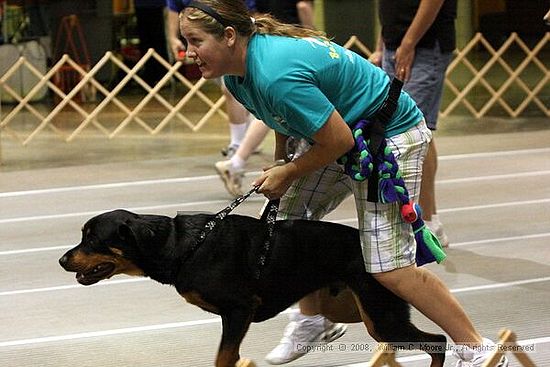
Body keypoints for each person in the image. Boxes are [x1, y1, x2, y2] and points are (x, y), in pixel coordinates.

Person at [178, 2, 508, 367]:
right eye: (185, 41)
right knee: (287, 221)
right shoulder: (238, 76)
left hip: (389, 135)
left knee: (389, 267)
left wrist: (288, 174)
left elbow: (339, 142)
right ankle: (312, 320)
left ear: (228, 37)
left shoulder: (275, 73)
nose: (187, 52)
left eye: (195, 41)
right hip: (343, 133)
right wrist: (281, 165)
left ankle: (478, 348)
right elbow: (282, 120)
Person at [370, 0, 454, 248]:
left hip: (424, 46)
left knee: (414, 131)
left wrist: (408, 44)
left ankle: (426, 221)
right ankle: (430, 219)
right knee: (416, 131)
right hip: (395, 45)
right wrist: (382, 45)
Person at [214, 0, 316, 197]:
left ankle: (237, 155)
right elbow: (303, 6)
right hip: (288, 44)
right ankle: (236, 160)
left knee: (269, 109)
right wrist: (313, 33)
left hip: (263, 42)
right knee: (272, 109)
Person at [167, 0, 259, 157]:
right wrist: (172, 37)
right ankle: (245, 141)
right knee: (235, 90)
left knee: (232, 90)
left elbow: (249, 12)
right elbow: (173, 9)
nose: (190, 52)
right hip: (215, 43)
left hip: (234, 43)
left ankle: (239, 144)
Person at [135, 0, 170, 85]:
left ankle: (160, 75)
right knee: (155, 41)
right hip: (147, 6)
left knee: (156, 41)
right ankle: (153, 75)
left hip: (153, 6)